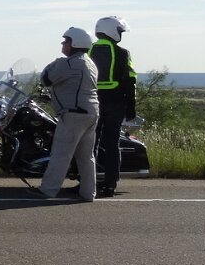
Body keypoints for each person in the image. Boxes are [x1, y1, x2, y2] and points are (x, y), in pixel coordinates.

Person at [37, 26, 99, 201]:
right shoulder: (90, 63)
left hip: (73, 114)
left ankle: (48, 190)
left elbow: (46, 79)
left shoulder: (68, 63)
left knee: (61, 154)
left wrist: (54, 63)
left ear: (75, 43)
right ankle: (88, 193)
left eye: (66, 41)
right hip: (91, 113)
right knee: (86, 157)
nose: (63, 44)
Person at [90, 16, 137, 198]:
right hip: (115, 103)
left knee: (90, 145)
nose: (121, 34)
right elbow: (130, 80)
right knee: (112, 145)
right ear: (112, 31)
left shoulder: (88, 51)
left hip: (93, 102)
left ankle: (88, 183)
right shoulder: (122, 53)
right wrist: (131, 107)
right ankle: (110, 185)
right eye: (119, 31)